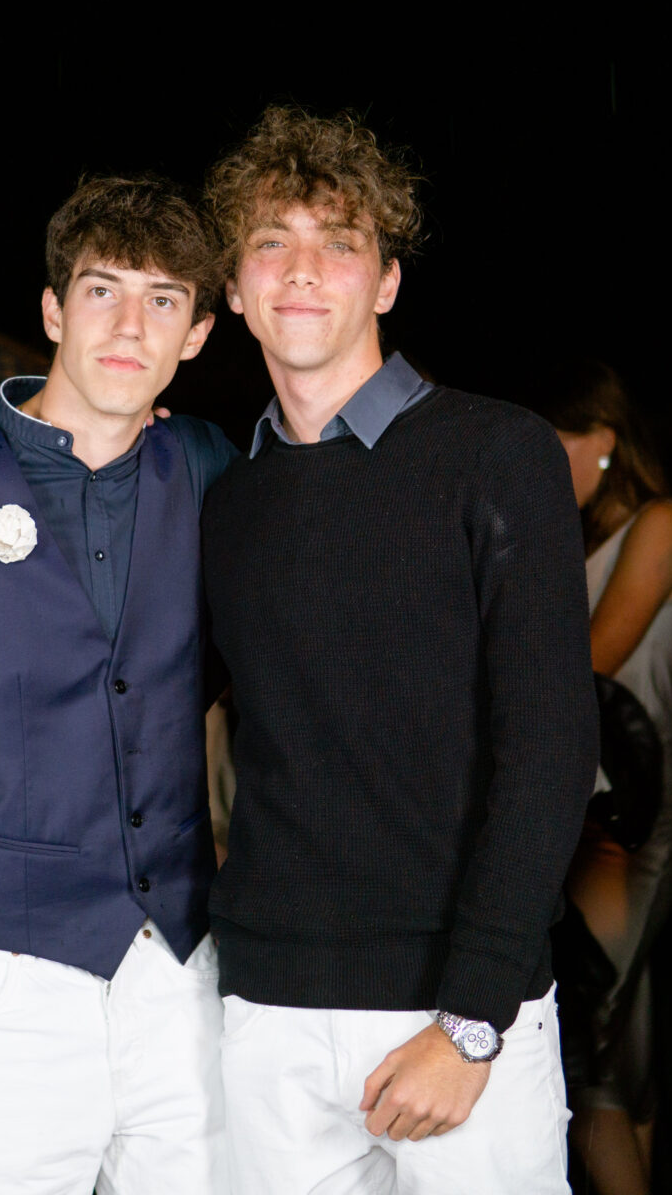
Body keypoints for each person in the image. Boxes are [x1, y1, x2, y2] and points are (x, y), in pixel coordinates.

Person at [195, 107, 598, 1194]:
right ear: (234, 286)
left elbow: (551, 747)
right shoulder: (229, 500)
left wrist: (472, 1016)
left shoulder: (495, 453)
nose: (302, 269)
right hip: (267, 1012)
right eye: (271, 241)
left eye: (340, 242)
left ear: (386, 282)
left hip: (454, 1010)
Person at [0, 174, 235, 1193]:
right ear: (53, 309)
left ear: (197, 334)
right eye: (102, 290)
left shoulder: (208, 465)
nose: (129, 324)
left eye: (163, 299)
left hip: (176, 965)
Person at [534, 360, 672, 1195]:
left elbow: (592, 659)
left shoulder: (661, 524)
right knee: (621, 1042)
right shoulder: (576, 537)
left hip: (636, 801)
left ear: (602, 440)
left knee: (587, 1041)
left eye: (552, 446)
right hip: (586, 797)